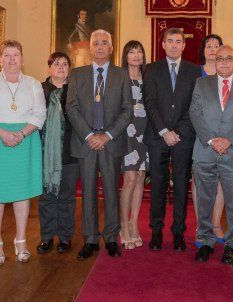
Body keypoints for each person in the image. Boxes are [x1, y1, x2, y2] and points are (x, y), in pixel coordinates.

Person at [0, 40, 47, 265]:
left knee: (21, 192)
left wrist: (21, 134)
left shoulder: (34, 84)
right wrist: (3, 134)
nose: (12, 59)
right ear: (0, 59)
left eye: (16, 55)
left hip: (25, 140)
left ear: (22, 59)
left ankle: (21, 239)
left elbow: (39, 114)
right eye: (7, 55)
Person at [67, 29, 133, 259]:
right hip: (85, 143)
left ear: (112, 48)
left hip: (110, 143)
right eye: (96, 43)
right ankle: (91, 239)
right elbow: (71, 108)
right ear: (90, 47)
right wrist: (89, 135)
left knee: (111, 191)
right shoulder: (77, 74)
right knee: (87, 192)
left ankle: (112, 238)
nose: (101, 46)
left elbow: (128, 110)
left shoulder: (122, 75)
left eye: (105, 43)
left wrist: (107, 135)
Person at [190, 45, 233, 264]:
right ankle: (206, 240)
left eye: (229, 58)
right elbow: (195, 113)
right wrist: (211, 140)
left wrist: (228, 140)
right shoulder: (202, 83)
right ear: (214, 61)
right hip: (205, 150)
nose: (225, 62)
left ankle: (231, 244)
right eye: (220, 59)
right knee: (205, 199)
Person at [144, 28, 202, 252]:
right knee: (157, 186)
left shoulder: (194, 71)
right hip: (158, 137)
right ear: (163, 44)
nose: (175, 45)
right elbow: (150, 102)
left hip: (184, 138)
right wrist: (164, 131)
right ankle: (156, 232)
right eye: (171, 41)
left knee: (180, 188)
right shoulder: (152, 69)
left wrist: (177, 131)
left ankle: (178, 232)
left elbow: (194, 106)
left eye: (179, 41)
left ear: (184, 45)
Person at [36, 52, 79, 254]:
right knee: (46, 197)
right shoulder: (39, 91)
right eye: (56, 63)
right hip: (45, 154)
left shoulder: (75, 90)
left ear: (69, 68)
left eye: (64, 64)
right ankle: (46, 237)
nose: (61, 67)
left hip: (70, 152)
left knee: (66, 197)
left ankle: (65, 237)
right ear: (49, 67)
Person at [193, 34, 227, 247]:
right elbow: (193, 109)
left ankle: (215, 224)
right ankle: (201, 225)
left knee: (222, 181)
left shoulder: (230, 74)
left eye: (217, 46)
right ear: (203, 50)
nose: (213, 49)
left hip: (225, 139)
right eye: (209, 45)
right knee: (200, 182)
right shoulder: (194, 74)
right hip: (201, 136)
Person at [119, 40, 148, 250]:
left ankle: (134, 223)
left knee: (139, 178)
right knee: (129, 178)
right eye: (131, 52)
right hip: (126, 133)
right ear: (125, 56)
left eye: (139, 51)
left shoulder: (148, 77)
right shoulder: (119, 77)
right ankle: (123, 227)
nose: (136, 55)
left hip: (145, 133)